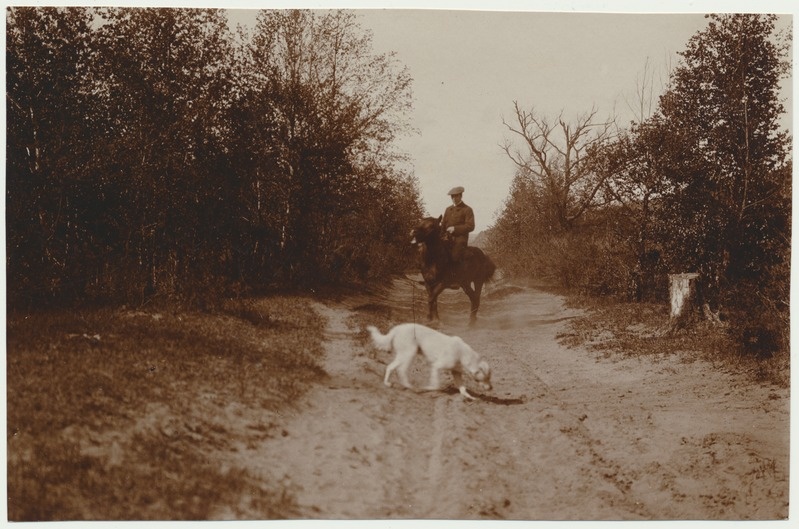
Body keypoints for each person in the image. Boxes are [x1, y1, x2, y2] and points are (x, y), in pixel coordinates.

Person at [441, 186, 475, 263]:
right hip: (447, 239)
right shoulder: (448, 209)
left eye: (456, 196)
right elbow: (443, 225)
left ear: (461, 196)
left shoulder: (467, 209)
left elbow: (470, 226)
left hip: (460, 240)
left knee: (454, 257)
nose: (454, 198)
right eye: (452, 196)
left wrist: (455, 229)